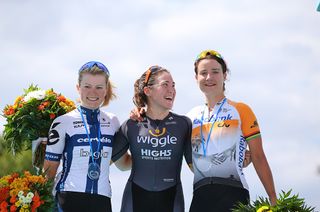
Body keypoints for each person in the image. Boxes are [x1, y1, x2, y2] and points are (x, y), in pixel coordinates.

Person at [187, 50, 277, 211]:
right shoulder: (190, 117)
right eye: (203, 73)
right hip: (200, 196)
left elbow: (258, 156)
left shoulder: (241, 110)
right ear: (196, 78)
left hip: (234, 192)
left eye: (215, 72)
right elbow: (187, 158)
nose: (209, 77)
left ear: (225, 75)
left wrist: (273, 199)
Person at [111, 65, 193, 212]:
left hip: (172, 200)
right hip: (135, 199)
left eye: (173, 85)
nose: (171, 90)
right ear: (148, 91)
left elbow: (197, 167)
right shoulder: (131, 125)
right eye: (165, 85)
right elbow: (118, 164)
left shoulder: (183, 124)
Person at [43, 61, 119, 212]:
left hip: (102, 199)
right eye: (87, 86)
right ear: (78, 88)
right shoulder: (62, 122)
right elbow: (49, 169)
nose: (93, 92)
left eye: (99, 87)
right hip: (68, 198)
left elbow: (118, 160)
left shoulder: (113, 121)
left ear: (106, 90)